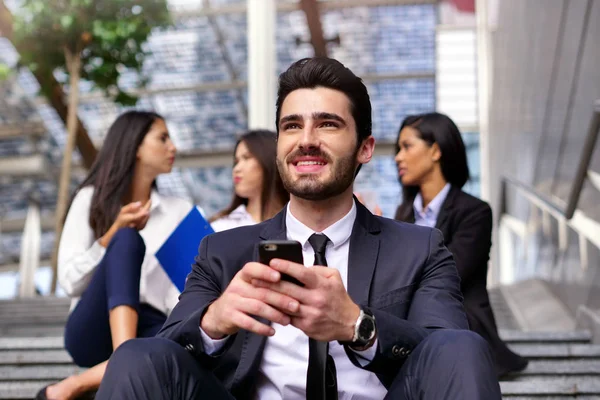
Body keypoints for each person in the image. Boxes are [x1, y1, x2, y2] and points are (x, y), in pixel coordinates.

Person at [97, 58, 501, 400]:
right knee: (135, 355)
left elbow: (447, 359)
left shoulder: (421, 248)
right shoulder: (221, 252)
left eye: (327, 124)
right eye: (291, 126)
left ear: (365, 147)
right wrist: (212, 323)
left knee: (463, 346)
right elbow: (160, 366)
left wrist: (358, 326)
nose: (306, 140)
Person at [36, 111, 201, 400]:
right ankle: (125, 359)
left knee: (190, 337)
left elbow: (193, 293)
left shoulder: (182, 212)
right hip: (93, 327)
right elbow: (70, 281)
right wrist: (111, 235)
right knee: (126, 239)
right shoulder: (90, 199)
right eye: (162, 138)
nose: (172, 147)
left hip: (153, 327)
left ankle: (75, 384)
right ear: (135, 145)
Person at [394, 111, 528, 377]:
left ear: (435, 151)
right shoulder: (402, 214)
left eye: (407, 146)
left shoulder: (475, 212)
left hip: (461, 327)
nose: (398, 157)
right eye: (398, 149)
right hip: (412, 331)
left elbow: (448, 276)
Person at [210, 130, 289, 232]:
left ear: (270, 161)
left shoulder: (299, 224)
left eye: (246, 158)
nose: (236, 169)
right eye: (236, 162)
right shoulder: (220, 228)